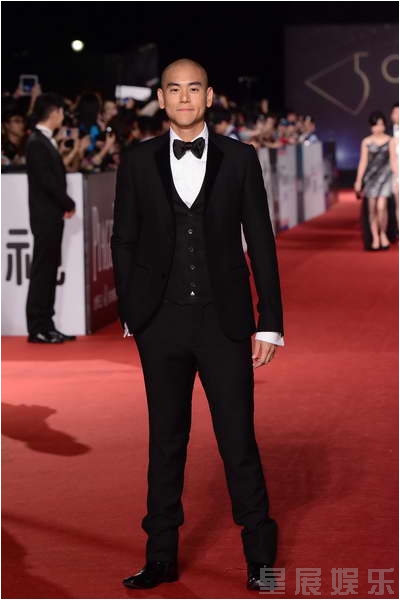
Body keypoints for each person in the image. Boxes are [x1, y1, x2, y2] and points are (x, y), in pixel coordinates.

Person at [111, 58, 284, 592]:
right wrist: (133, 311)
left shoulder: (241, 158)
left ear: (209, 97)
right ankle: (160, 556)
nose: (184, 98)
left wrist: (270, 322)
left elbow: (260, 239)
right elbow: (124, 239)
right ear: (161, 99)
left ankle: (261, 558)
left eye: (194, 89)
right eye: (174, 89)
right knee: (165, 441)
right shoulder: (136, 161)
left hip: (223, 322)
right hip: (159, 323)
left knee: (237, 439)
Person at [25, 93, 77, 343]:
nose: (63, 116)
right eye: (61, 111)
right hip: (45, 216)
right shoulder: (36, 142)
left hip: (51, 215)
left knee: (48, 271)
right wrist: (67, 202)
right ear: (54, 112)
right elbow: (47, 181)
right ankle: (38, 326)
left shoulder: (43, 140)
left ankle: (47, 324)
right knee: (43, 272)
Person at [354, 111, 396, 251]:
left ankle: (383, 233)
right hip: (371, 179)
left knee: (381, 207)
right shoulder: (366, 142)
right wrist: (358, 180)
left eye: (381, 125)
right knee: (371, 209)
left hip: (385, 178)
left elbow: (393, 161)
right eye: (375, 125)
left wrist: (397, 177)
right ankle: (375, 237)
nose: (378, 128)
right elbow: (363, 162)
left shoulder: (390, 140)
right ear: (371, 126)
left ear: (384, 125)